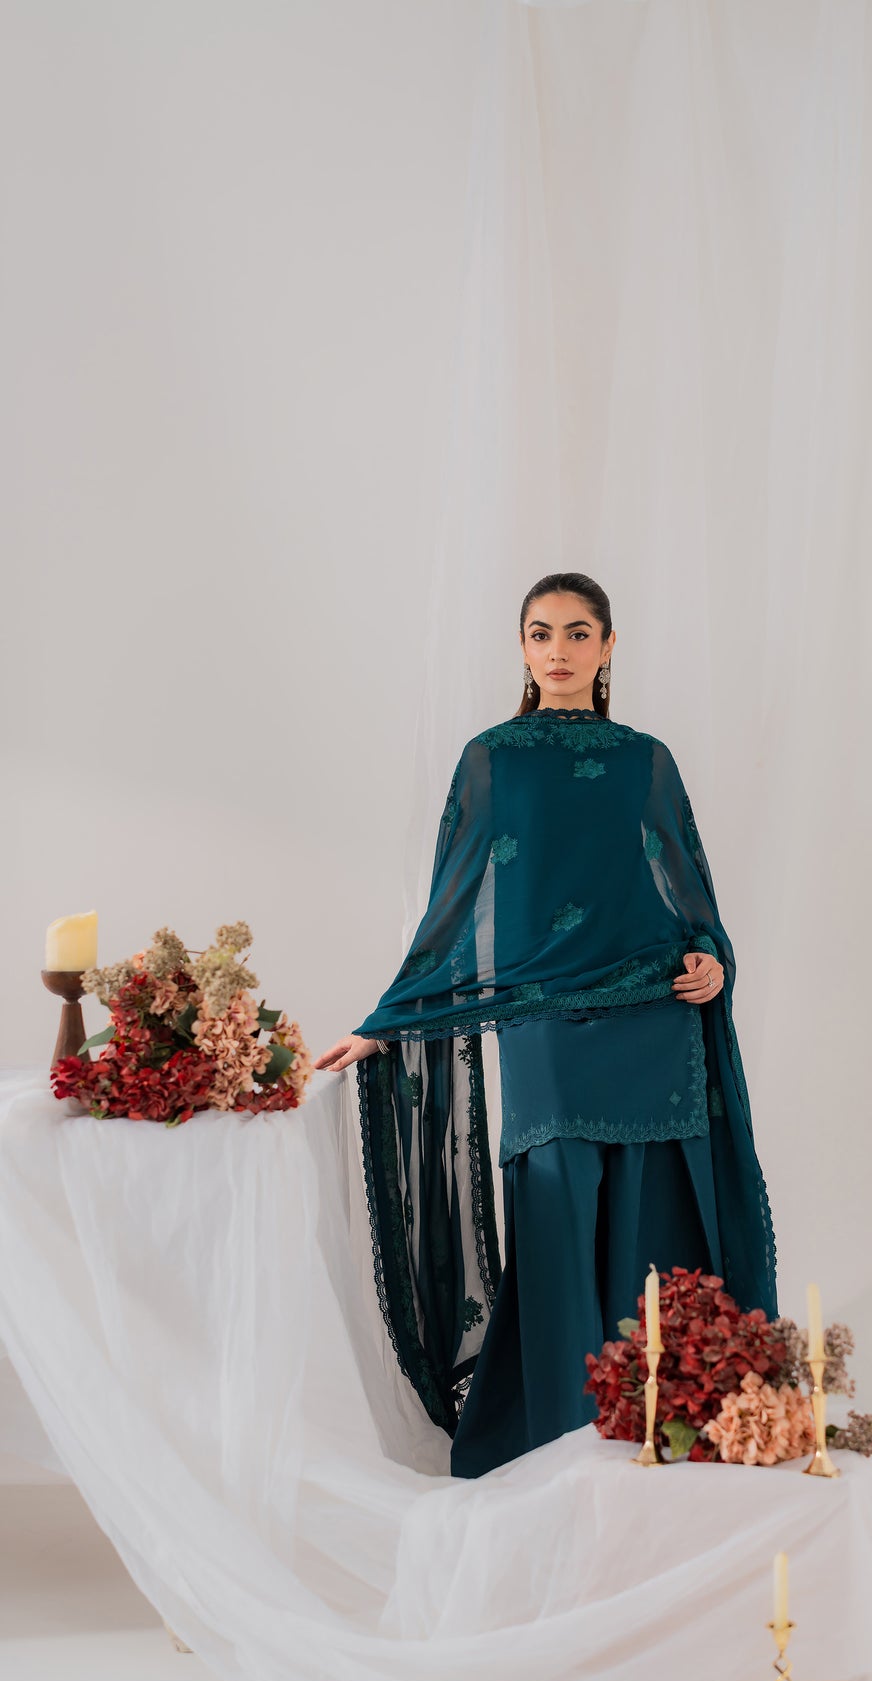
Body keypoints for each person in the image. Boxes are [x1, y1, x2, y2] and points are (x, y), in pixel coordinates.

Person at [314, 573, 777, 1478]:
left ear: (608, 647)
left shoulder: (646, 760)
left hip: (653, 1013)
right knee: (558, 1206)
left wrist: (711, 960)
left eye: (576, 632)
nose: (557, 650)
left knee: (650, 1212)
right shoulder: (491, 759)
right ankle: (562, 1441)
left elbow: (688, 890)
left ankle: (656, 1422)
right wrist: (390, 1020)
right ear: (522, 647)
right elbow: (454, 904)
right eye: (539, 633)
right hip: (544, 1019)